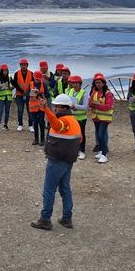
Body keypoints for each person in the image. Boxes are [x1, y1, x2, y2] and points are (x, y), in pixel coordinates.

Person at [30, 94, 82, 230]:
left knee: (49, 190)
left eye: (56, 106)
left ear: (63, 108)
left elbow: (57, 126)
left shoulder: (63, 121)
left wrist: (46, 109)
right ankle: (67, 218)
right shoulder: (73, 121)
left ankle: (45, 219)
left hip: (58, 160)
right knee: (65, 189)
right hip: (68, 160)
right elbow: (80, 139)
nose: (55, 108)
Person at [89, 73, 114, 164]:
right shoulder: (94, 92)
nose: (98, 84)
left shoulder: (108, 94)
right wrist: (94, 104)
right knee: (98, 134)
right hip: (96, 117)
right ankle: (101, 151)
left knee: (101, 134)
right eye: (96, 83)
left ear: (103, 83)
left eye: (99, 83)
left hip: (104, 118)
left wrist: (97, 105)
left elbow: (108, 106)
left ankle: (104, 154)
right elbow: (90, 103)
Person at [66, 75, 90, 159]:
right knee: (71, 133)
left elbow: (86, 107)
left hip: (81, 118)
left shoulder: (84, 93)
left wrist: (75, 107)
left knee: (81, 134)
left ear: (80, 84)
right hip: (72, 117)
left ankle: (81, 151)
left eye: (76, 83)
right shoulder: (70, 91)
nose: (75, 85)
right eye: (73, 83)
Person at [13, 58, 34, 133]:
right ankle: (20, 124)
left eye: (25, 65)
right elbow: (15, 84)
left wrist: (27, 92)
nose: (23, 66)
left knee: (30, 110)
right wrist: (22, 91)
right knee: (20, 110)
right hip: (19, 95)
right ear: (20, 65)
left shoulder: (31, 73)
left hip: (29, 95)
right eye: (22, 65)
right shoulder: (16, 73)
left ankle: (30, 125)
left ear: (27, 65)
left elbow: (32, 84)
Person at [29, 70, 48, 145]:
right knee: (35, 123)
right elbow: (27, 93)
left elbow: (47, 95)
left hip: (41, 107)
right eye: (36, 79)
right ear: (34, 78)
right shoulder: (30, 84)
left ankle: (42, 139)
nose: (37, 80)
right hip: (33, 108)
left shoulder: (44, 84)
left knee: (41, 123)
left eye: (39, 79)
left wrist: (40, 93)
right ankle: (36, 139)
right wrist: (31, 93)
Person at [0, 63, 13, 131]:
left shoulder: (10, 77)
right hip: (1, 97)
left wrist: (11, 87)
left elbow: (14, 85)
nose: (5, 72)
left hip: (8, 97)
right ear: (1, 71)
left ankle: (5, 125)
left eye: (6, 70)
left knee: (7, 111)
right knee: (0, 111)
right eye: (3, 71)